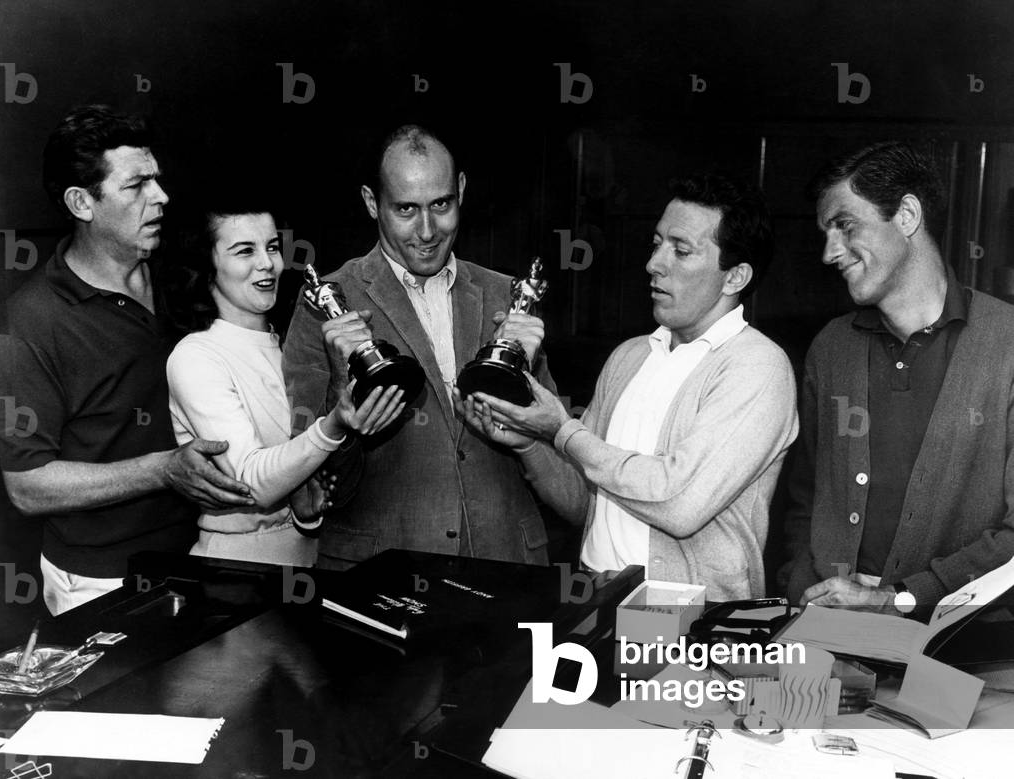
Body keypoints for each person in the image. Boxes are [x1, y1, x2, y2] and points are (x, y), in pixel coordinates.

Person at [460, 174, 798, 600]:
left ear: (735, 277)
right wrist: (527, 443)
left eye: (681, 250)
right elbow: (586, 503)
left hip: (689, 622)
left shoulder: (757, 367)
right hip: (595, 598)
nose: (654, 263)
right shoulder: (630, 356)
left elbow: (679, 504)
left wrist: (562, 431)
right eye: (656, 244)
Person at [0, 105, 253, 615]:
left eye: (157, 180)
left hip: (209, 551)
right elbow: (28, 486)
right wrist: (162, 470)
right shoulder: (30, 325)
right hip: (103, 578)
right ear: (81, 203)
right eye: (136, 186)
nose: (161, 197)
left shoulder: (182, 274)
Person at [282, 124, 556, 570]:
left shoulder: (507, 294)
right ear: (373, 203)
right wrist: (341, 392)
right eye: (406, 209)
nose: (427, 230)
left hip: (505, 566)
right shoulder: (332, 300)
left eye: (441, 205)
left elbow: (551, 444)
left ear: (461, 190)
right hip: (382, 573)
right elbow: (307, 483)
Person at [783, 141, 1014, 614]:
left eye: (845, 226)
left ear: (907, 215)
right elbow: (804, 497)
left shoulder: (1007, 344)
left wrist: (901, 599)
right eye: (826, 233)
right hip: (825, 637)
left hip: (959, 650)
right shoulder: (831, 347)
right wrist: (799, 587)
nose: (830, 253)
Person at [164, 199, 406, 566]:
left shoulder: (293, 347)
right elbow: (252, 481)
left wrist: (307, 516)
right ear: (207, 264)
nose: (268, 263)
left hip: (309, 561)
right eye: (245, 250)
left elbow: (307, 478)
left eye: (273, 247)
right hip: (235, 573)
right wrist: (334, 425)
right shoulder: (195, 356)